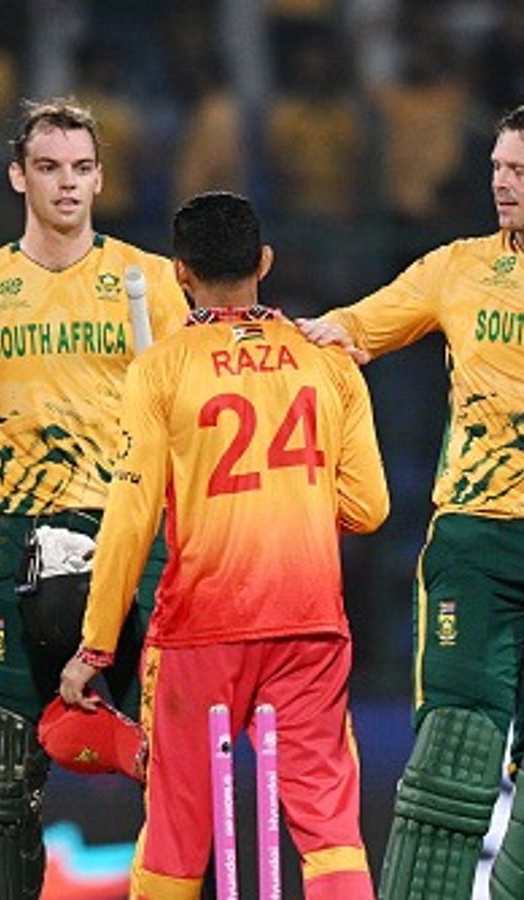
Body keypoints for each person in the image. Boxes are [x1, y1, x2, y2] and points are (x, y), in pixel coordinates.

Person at [299, 100, 524, 900]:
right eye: (494, 168)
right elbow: (351, 330)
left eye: (519, 169)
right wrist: (253, 335)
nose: (500, 183)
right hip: (475, 544)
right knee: (453, 764)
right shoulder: (457, 267)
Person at [58, 190, 389, 899]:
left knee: (179, 829)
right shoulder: (325, 359)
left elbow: (131, 514)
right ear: (264, 262)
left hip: (202, 627)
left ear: (179, 274)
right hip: (309, 621)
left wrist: (95, 646)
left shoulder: (162, 368)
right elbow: (370, 508)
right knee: (330, 829)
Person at [0, 98, 188, 900]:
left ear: (101, 178)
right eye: (49, 167)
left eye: (82, 168)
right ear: (19, 175)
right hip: (16, 545)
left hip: (134, 543)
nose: (67, 185)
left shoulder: (154, 282)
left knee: (178, 778)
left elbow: (198, 416)